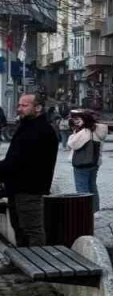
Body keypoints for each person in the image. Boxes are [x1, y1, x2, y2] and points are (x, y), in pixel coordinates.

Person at [0, 94, 59, 246]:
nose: (19, 109)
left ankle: (38, 264)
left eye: (24, 106)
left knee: (32, 230)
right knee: (19, 229)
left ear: (38, 108)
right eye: (19, 105)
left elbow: (18, 161)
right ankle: (24, 261)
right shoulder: (27, 127)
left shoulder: (41, 130)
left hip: (29, 190)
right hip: (17, 188)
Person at [67, 110, 108, 212]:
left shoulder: (85, 132)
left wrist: (74, 134)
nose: (76, 122)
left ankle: (85, 212)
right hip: (95, 162)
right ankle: (95, 210)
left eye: (77, 119)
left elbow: (73, 144)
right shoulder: (97, 130)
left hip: (82, 163)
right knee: (92, 186)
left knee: (82, 188)